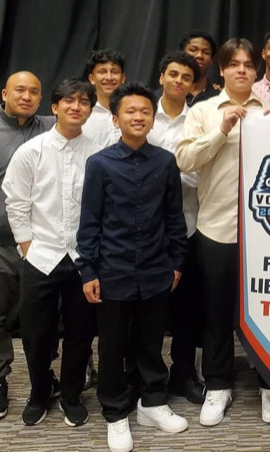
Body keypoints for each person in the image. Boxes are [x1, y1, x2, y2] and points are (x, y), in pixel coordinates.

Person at [176, 38, 270, 426]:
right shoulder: (203, 111)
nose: (241, 69)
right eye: (233, 64)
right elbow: (184, 158)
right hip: (217, 227)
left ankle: (269, 384)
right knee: (217, 312)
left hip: (268, 232)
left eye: (248, 64)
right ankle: (218, 385)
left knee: (264, 312)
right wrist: (222, 129)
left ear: (257, 72)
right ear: (221, 71)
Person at [76, 83, 188, 452]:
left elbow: (174, 217)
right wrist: (88, 271)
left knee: (152, 341)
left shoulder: (165, 161)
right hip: (112, 271)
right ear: (115, 117)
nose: (138, 117)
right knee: (111, 345)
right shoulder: (100, 163)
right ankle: (115, 412)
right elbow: (90, 222)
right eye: (130, 111)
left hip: (157, 269)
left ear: (152, 118)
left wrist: (176, 262)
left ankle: (152, 403)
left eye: (144, 112)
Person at [2, 79, 98, 427]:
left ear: (90, 109)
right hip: (40, 255)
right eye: (68, 101)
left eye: (83, 102)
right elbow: (16, 200)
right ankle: (40, 392)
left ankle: (71, 394)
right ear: (54, 107)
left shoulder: (98, 153)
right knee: (36, 334)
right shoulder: (32, 151)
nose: (76, 107)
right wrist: (26, 246)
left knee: (81, 332)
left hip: (83, 258)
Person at [0, 72, 55, 421]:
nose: (26, 96)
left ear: (42, 98)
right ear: (5, 93)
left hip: (45, 242)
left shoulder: (55, 129)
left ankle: (46, 376)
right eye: (20, 90)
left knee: (46, 317)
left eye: (34, 92)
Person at [146, 50, 206, 404]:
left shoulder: (198, 119)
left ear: (193, 84)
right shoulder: (140, 112)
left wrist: (160, 173)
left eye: (186, 77)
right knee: (149, 311)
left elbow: (201, 172)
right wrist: (174, 171)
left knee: (188, 310)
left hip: (189, 226)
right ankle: (148, 375)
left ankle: (184, 372)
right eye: (173, 74)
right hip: (145, 230)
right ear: (161, 77)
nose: (179, 81)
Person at [82, 49, 127, 148]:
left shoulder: (134, 111)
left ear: (123, 78)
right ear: (92, 78)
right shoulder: (82, 112)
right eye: (102, 72)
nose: (109, 77)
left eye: (114, 72)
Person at [179, 30, 221, 105]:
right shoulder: (165, 94)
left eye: (206, 52)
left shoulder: (219, 99)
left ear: (211, 60)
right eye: (193, 50)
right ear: (182, 54)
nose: (199, 56)